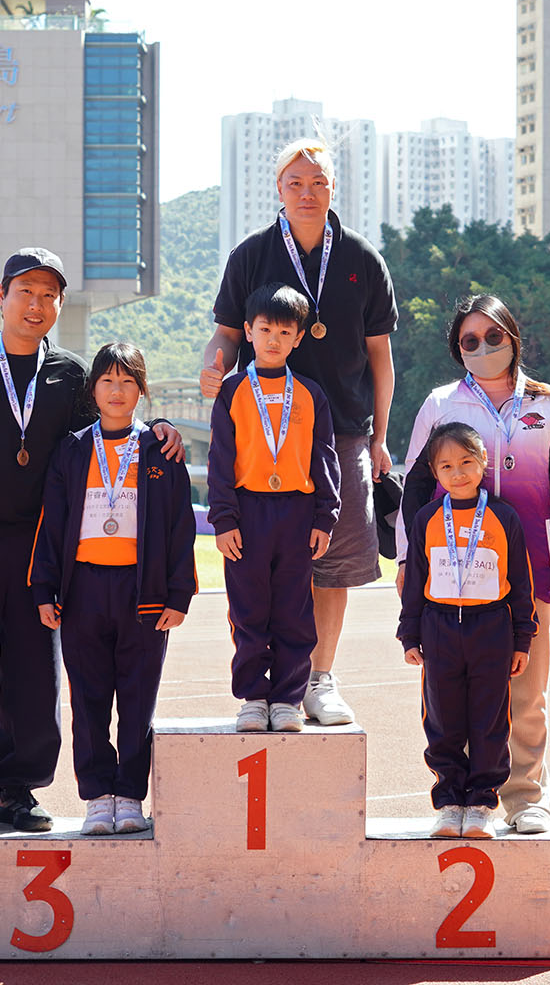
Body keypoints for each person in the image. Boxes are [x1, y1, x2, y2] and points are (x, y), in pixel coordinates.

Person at [0, 248, 183, 834]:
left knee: (34, 671)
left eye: (48, 296)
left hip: (39, 544)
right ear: (1, 295)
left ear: (59, 305)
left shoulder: (70, 374)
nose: (36, 305)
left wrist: (159, 429)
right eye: (25, 292)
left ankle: (19, 789)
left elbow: (108, 434)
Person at [200, 138, 398, 726]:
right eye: (295, 183)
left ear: (333, 187)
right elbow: (225, 336)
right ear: (279, 189)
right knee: (257, 569)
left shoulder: (363, 258)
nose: (307, 193)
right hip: (260, 435)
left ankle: (318, 678)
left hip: (342, 431)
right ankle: (261, 688)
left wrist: (381, 438)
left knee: (334, 561)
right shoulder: (251, 254)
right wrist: (212, 366)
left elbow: (381, 358)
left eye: (318, 182)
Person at [397, 295, 550, 835]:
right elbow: (415, 485)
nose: (483, 347)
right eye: (470, 340)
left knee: (527, 693)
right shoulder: (441, 404)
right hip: (452, 580)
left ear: (512, 337)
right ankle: (460, 798)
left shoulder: (546, 406)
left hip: (533, 573)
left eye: (493, 336)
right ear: (457, 349)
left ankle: (525, 799)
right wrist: (408, 558)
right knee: (453, 698)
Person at [30, 342, 198, 836]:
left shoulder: (160, 450)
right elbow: (52, 523)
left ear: (142, 390)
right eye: (107, 380)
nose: (117, 390)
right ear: (93, 390)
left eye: (127, 381)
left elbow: (180, 526)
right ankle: (97, 797)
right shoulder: (72, 449)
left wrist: (179, 595)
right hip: (83, 589)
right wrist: (44, 588)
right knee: (88, 700)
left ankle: (130, 796)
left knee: (137, 700)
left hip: (142, 592)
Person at [208, 283, 340, 734]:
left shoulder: (310, 394)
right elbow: (220, 459)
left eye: (285, 332)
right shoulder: (232, 392)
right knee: (248, 610)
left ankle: (286, 699)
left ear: (298, 338)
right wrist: (224, 519)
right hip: (247, 513)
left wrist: (324, 517)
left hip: (297, 514)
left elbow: (325, 458)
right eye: (265, 329)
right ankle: (253, 697)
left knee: (294, 611)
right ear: (248, 331)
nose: (273, 339)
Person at [399, 422, 536, 839]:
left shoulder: (503, 517)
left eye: (466, 462)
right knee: (442, 720)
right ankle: (449, 803)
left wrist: (522, 639)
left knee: (489, 720)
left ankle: (480, 804)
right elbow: (415, 581)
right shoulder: (426, 518)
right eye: (446, 466)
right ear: (434, 472)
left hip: (491, 629)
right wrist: (409, 634)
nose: (457, 473)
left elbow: (521, 582)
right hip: (439, 629)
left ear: (483, 462)